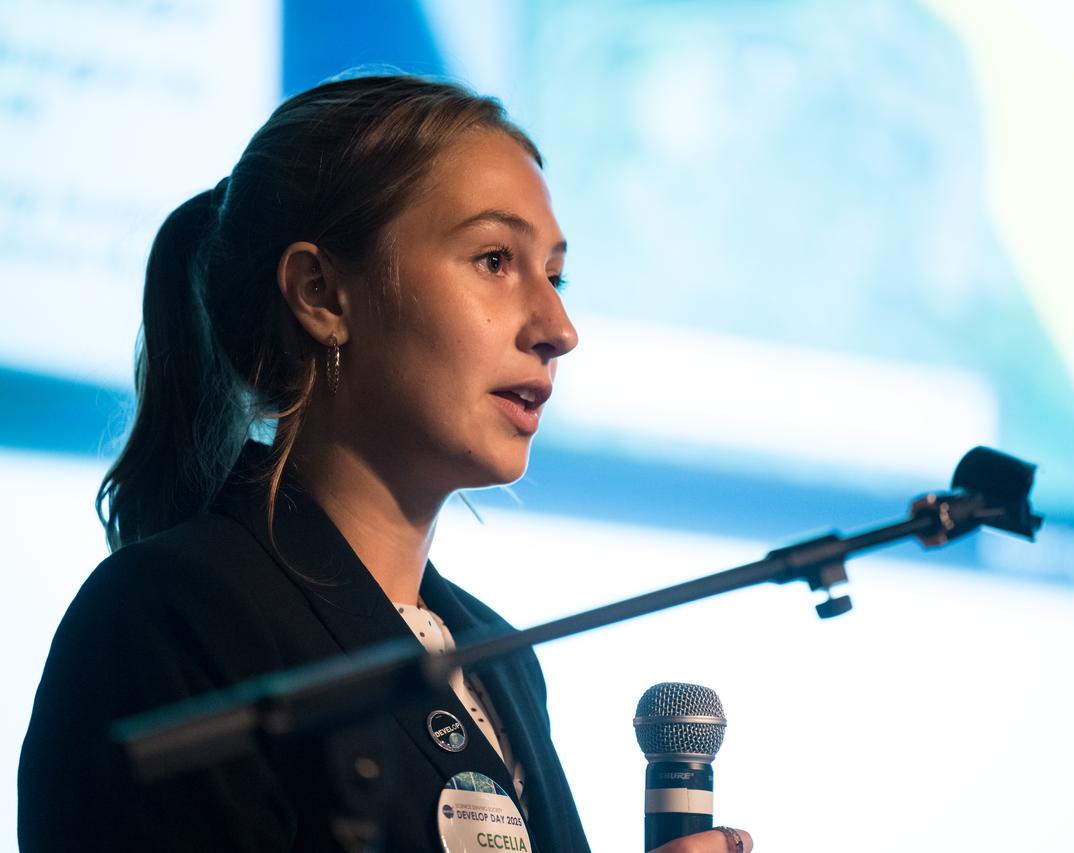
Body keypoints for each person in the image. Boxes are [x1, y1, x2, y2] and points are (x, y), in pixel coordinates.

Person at [17, 74, 753, 853]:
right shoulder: (167, 616)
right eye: (494, 259)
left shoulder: (498, 659)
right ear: (322, 293)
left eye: (555, 274)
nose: (558, 327)